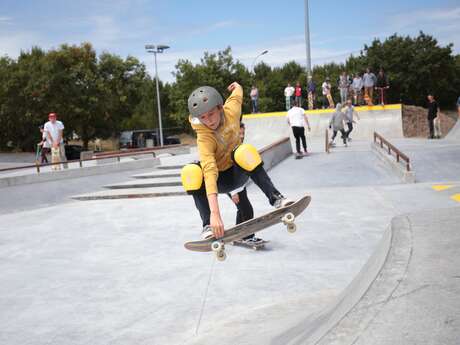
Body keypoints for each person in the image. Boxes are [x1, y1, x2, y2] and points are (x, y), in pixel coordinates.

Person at [182, 82, 292, 240]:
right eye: (203, 118)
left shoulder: (231, 110)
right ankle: (207, 225)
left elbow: (237, 94)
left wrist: (237, 86)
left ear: (220, 108)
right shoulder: (204, 137)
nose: (209, 121)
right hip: (219, 179)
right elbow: (209, 170)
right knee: (190, 171)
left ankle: (276, 198)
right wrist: (215, 214)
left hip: (237, 172)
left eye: (211, 114)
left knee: (244, 150)